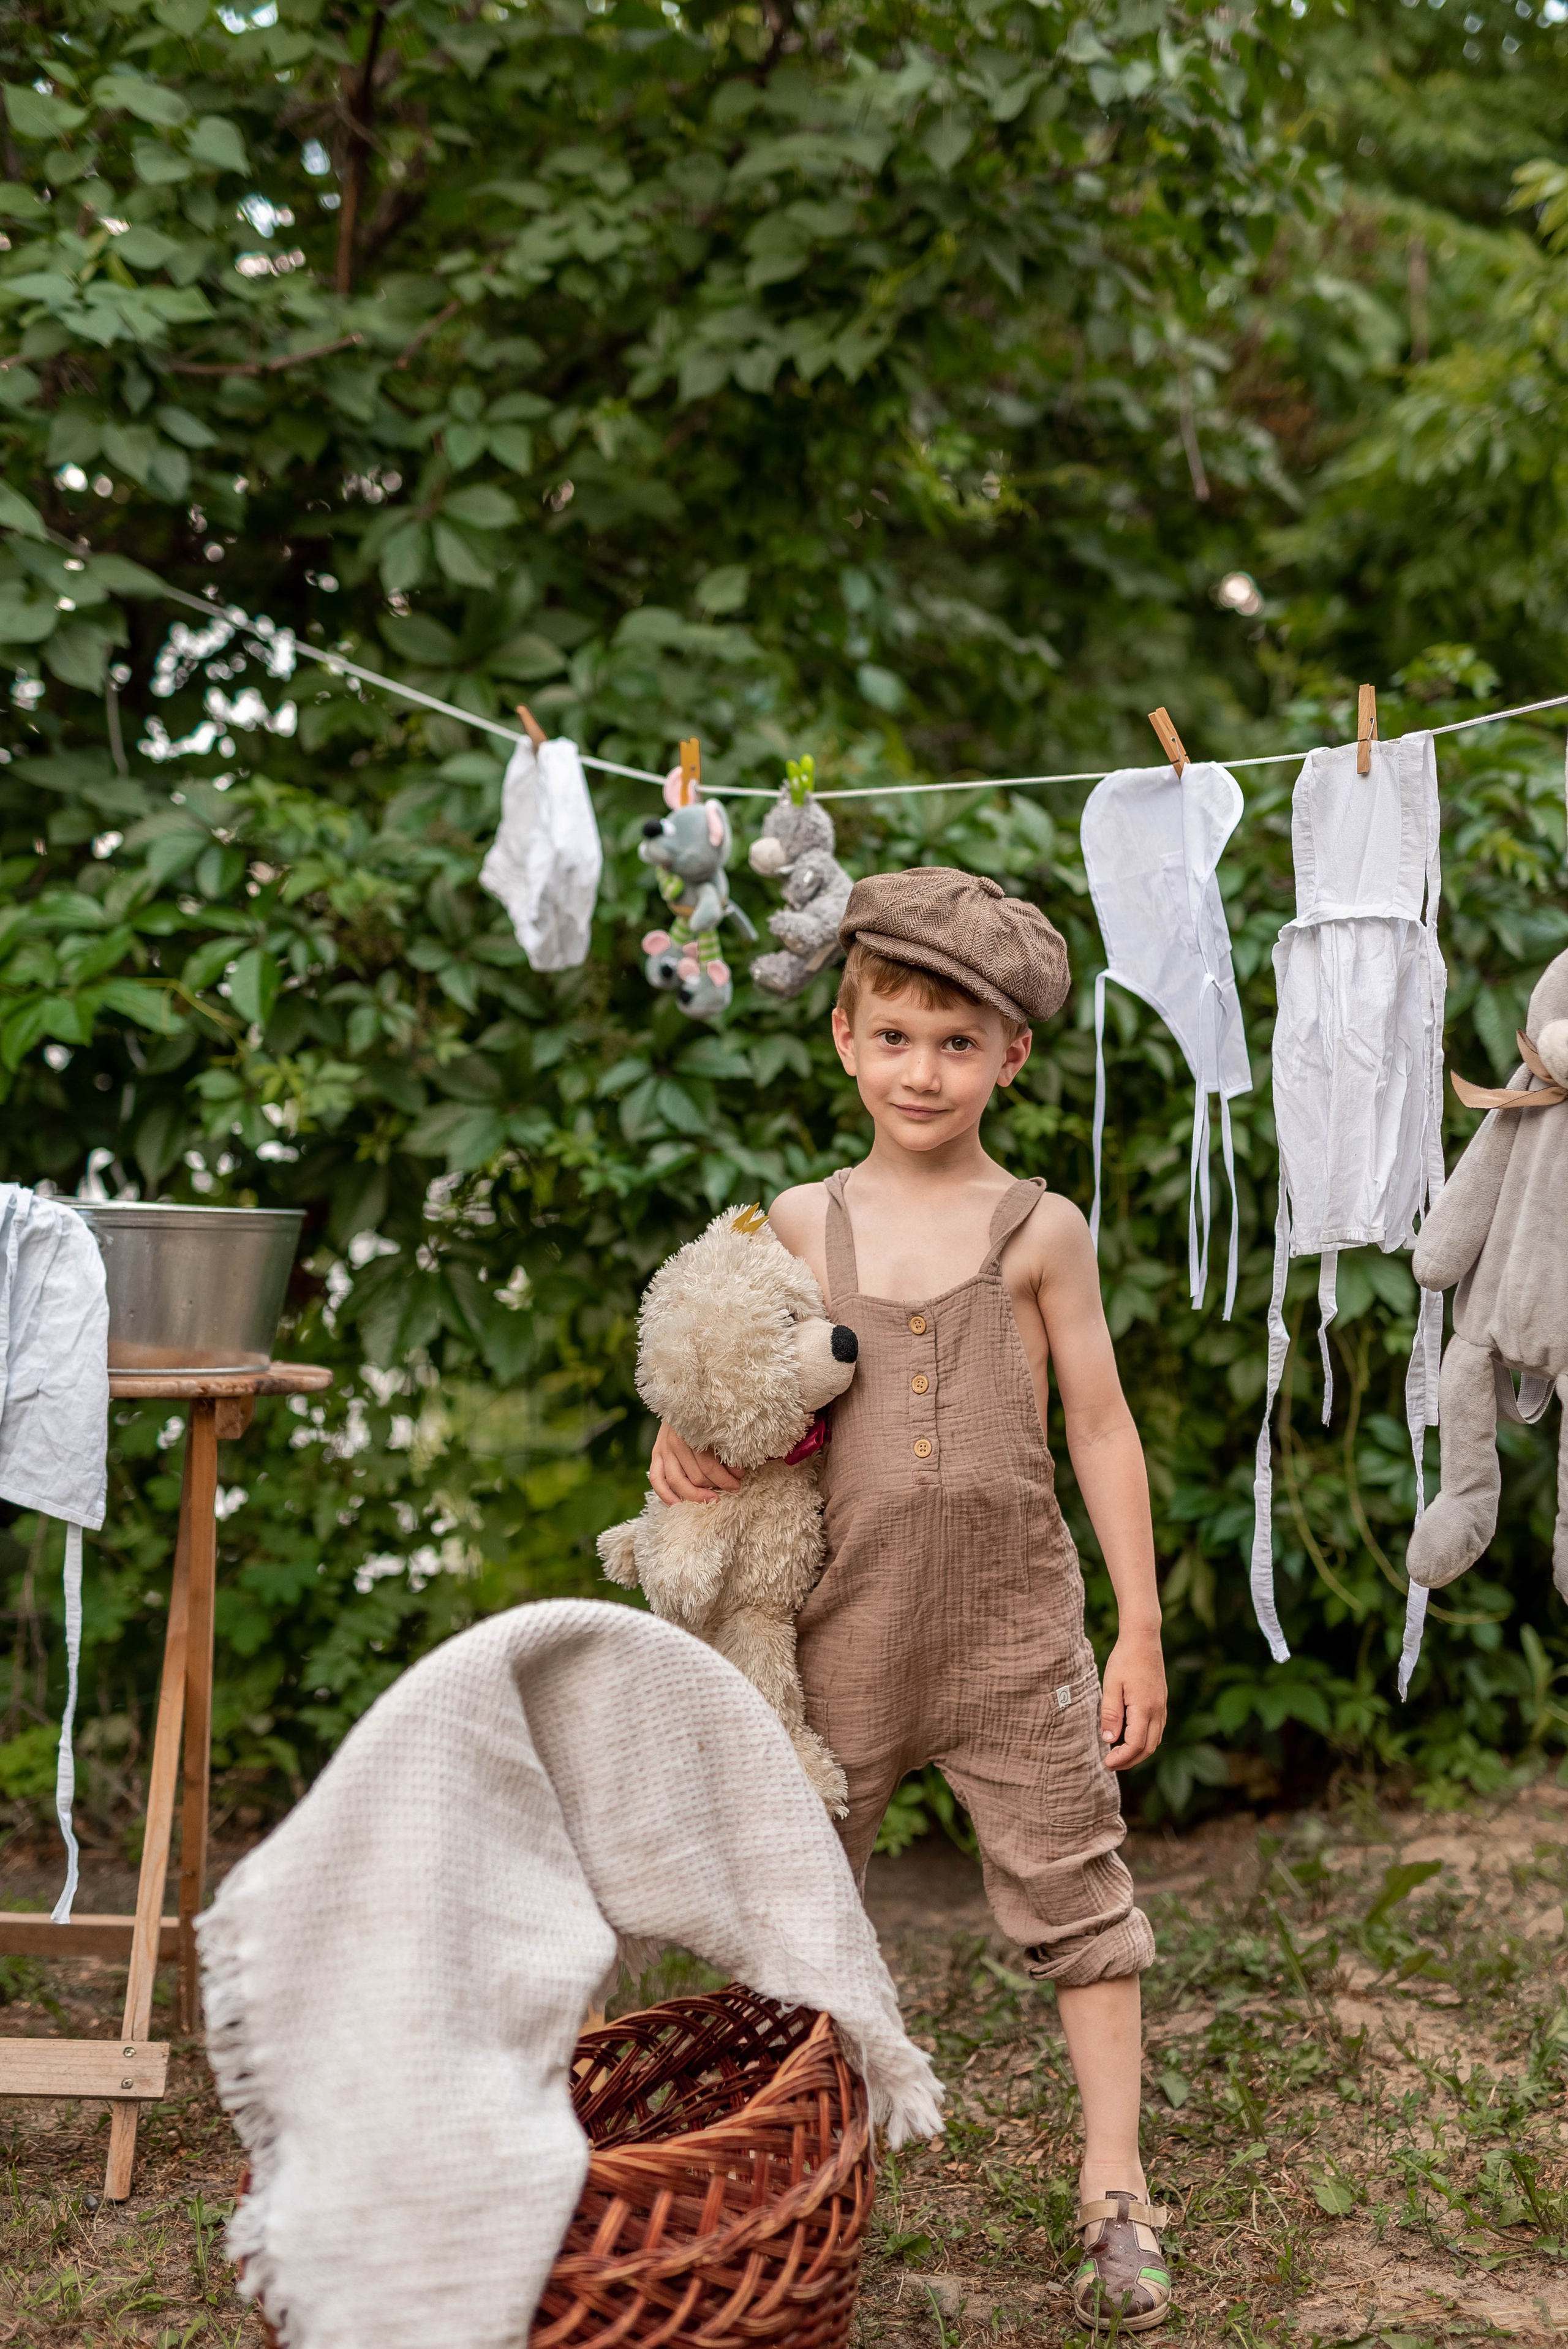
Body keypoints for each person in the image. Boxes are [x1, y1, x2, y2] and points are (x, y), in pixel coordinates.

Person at [649, 867, 1170, 2332]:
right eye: (893, 1036)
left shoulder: (1039, 1230)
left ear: (1010, 1055)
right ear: (842, 1039)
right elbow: (713, 1377)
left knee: (1079, 1897)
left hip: (1015, 1633)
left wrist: (1135, 1626)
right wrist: (675, 1437)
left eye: (957, 1042)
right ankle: (774, 2182)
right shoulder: (802, 1225)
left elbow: (1100, 1429)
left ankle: (1115, 2190)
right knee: (796, 1895)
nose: (921, 1070)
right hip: (840, 1636)